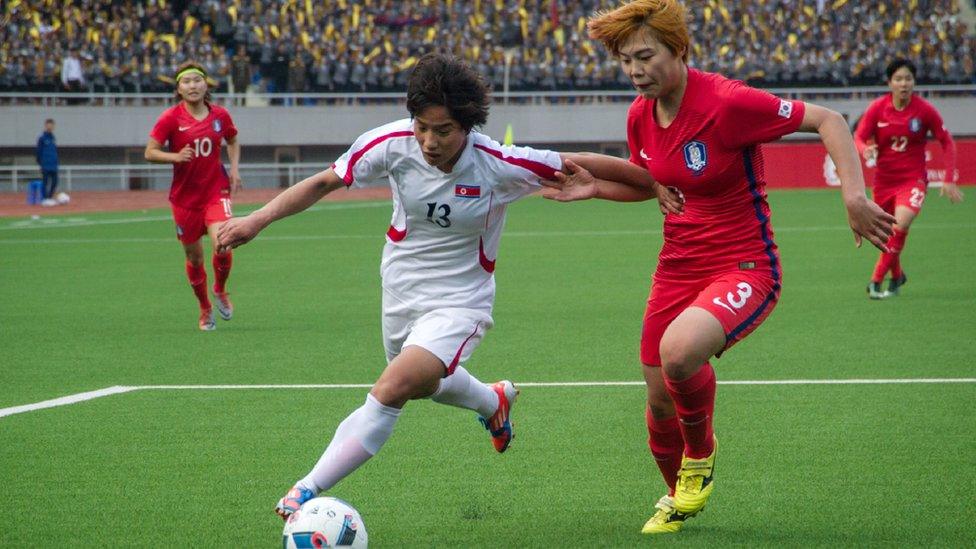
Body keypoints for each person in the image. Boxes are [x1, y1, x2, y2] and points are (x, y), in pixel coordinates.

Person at [216, 53, 680, 519]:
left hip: (461, 301)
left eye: (443, 131)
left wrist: (654, 184)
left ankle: (306, 488)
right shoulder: (391, 143)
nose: (429, 141)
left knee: (394, 387)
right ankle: (492, 399)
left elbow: (584, 163)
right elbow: (322, 183)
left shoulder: (498, 163)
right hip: (399, 289)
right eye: (422, 126)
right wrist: (256, 220)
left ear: (468, 126)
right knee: (422, 383)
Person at [544, 0, 894, 535]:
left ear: (679, 49)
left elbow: (830, 120)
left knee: (679, 353)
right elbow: (653, 187)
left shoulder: (726, 103)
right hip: (676, 266)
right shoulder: (641, 114)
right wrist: (595, 187)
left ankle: (700, 458)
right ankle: (677, 499)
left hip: (744, 264)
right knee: (659, 402)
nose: (636, 71)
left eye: (645, 56)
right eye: (625, 61)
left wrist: (853, 196)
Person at [854, 59, 963, 299]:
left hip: (912, 181)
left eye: (908, 79)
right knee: (884, 237)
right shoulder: (877, 108)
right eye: (899, 79)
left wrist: (948, 178)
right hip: (883, 183)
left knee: (900, 225)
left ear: (914, 82)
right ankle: (898, 275)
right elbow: (859, 138)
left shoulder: (924, 110)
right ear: (890, 83)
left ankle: (875, 281)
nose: (904, 84)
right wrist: (865, 150)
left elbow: (947, 142)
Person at [145, 61, 242, 331]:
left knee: (223, 242)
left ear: (205, 84)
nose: (192, 86)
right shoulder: (170, 118)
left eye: (196, 81)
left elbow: (233, 140)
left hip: (216, 191)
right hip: (185, 199)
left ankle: (220, 290)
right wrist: (174, 156)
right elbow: (150, 151)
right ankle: (204, 308)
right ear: (178, 88)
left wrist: (234, 170)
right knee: (195, 258)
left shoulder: (220, 115)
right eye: (186, 82)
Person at [35, 118, 59, 203]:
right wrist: (40, 163)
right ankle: (45, 198)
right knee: (45, 182)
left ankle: (49, 197)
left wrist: (56, 161)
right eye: (49, 125)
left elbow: (54, 151)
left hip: (53, 164)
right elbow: (38, 151)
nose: (50, 127)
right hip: (45, 164)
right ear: (45, 126)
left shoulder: (53, 138)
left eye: (52, 125)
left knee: (55, 182)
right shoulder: (42, 138)